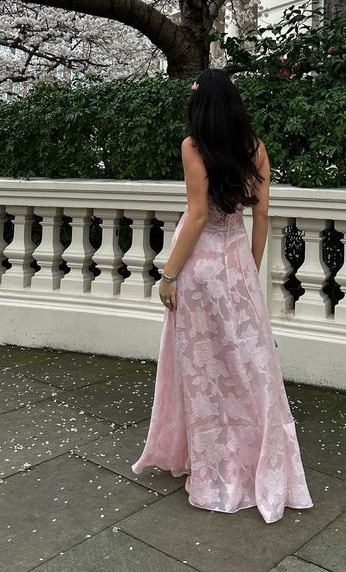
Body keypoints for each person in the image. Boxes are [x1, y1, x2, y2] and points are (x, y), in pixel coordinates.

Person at [130, 69, 313, 524]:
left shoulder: (194, 147)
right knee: (250, 367)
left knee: (204, 370)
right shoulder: (255, 148)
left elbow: (195, 216)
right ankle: (259, 459)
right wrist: (250, 265)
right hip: (236, 265)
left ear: (199, 108)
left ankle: (213, 464)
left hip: (199, 269)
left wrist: (169, 274)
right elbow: (263, 213)